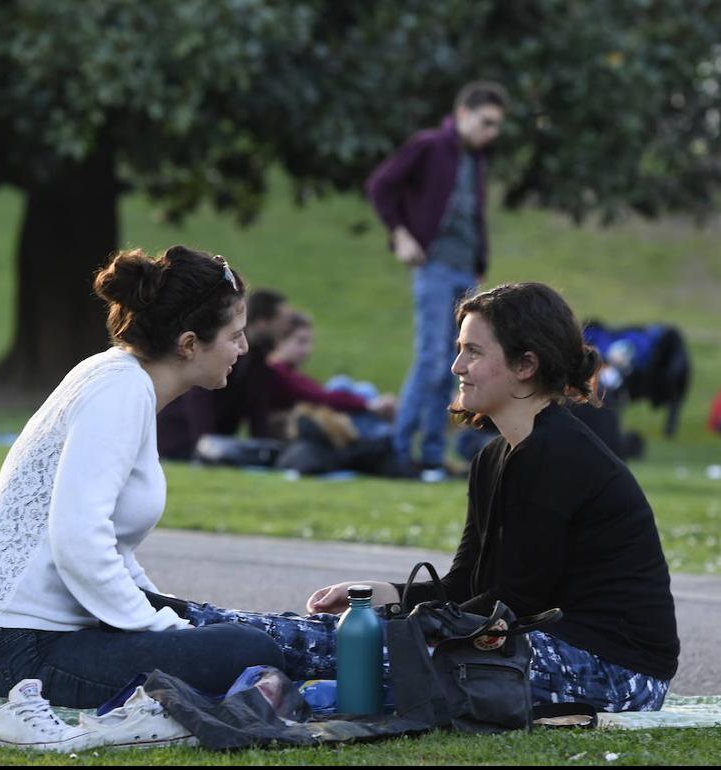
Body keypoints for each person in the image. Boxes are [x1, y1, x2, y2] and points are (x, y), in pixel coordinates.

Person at [193, 283, 677, 712]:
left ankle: (200, 630)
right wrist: (384, 595)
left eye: (473, 352)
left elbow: (515, 603)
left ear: (525, 365)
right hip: (538, 642)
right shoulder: (495, 457)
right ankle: (194, 622)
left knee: (361, 651)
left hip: (616, 671)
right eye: (459, 349)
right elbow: (467, 582)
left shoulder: (557, 454)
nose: (456, 366)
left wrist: (407, 622)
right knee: (344, 642)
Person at [0, 246, 285, 708]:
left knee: (233, 631)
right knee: (251, 650)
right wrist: (160, 628)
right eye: (235, 335)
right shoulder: (119, 391)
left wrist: (161, 609)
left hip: (21, 640)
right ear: (189, 344)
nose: (243, 349)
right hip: (13, 654)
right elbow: (79, 540)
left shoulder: (120, 379)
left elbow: (110, 547)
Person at [366, 80, 507, 475]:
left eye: (497, 126)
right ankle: (397, 450)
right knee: (430, 360)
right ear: (463, 114)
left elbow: (472, 215)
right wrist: (400, 234)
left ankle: (430, 455)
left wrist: (480, 258)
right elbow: (380, 186)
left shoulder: (475, 160)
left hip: (466, 271)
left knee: (457, 362)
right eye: (486, 122)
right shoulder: (429, 146)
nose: (491, 133)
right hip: (434, 267)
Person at [156, 288, 291, 459]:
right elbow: (199, 395)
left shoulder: (257, 361)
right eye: (282, 320)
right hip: (181, 442)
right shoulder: (226, 352)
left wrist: (266, 453)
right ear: (262, 323)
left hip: (212, 445)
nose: (287, 327)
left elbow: (258, 410)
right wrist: (206, 447)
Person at [266, 312, 396, 427]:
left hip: (312, 422)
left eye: (310, 342)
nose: (307, 350)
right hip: (303, 430)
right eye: (301, 341)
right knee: (346, 385)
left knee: (360, 389)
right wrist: (368, 405)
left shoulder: (286, 371)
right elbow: (320, 398)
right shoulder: (278, 373)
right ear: (280, 340)